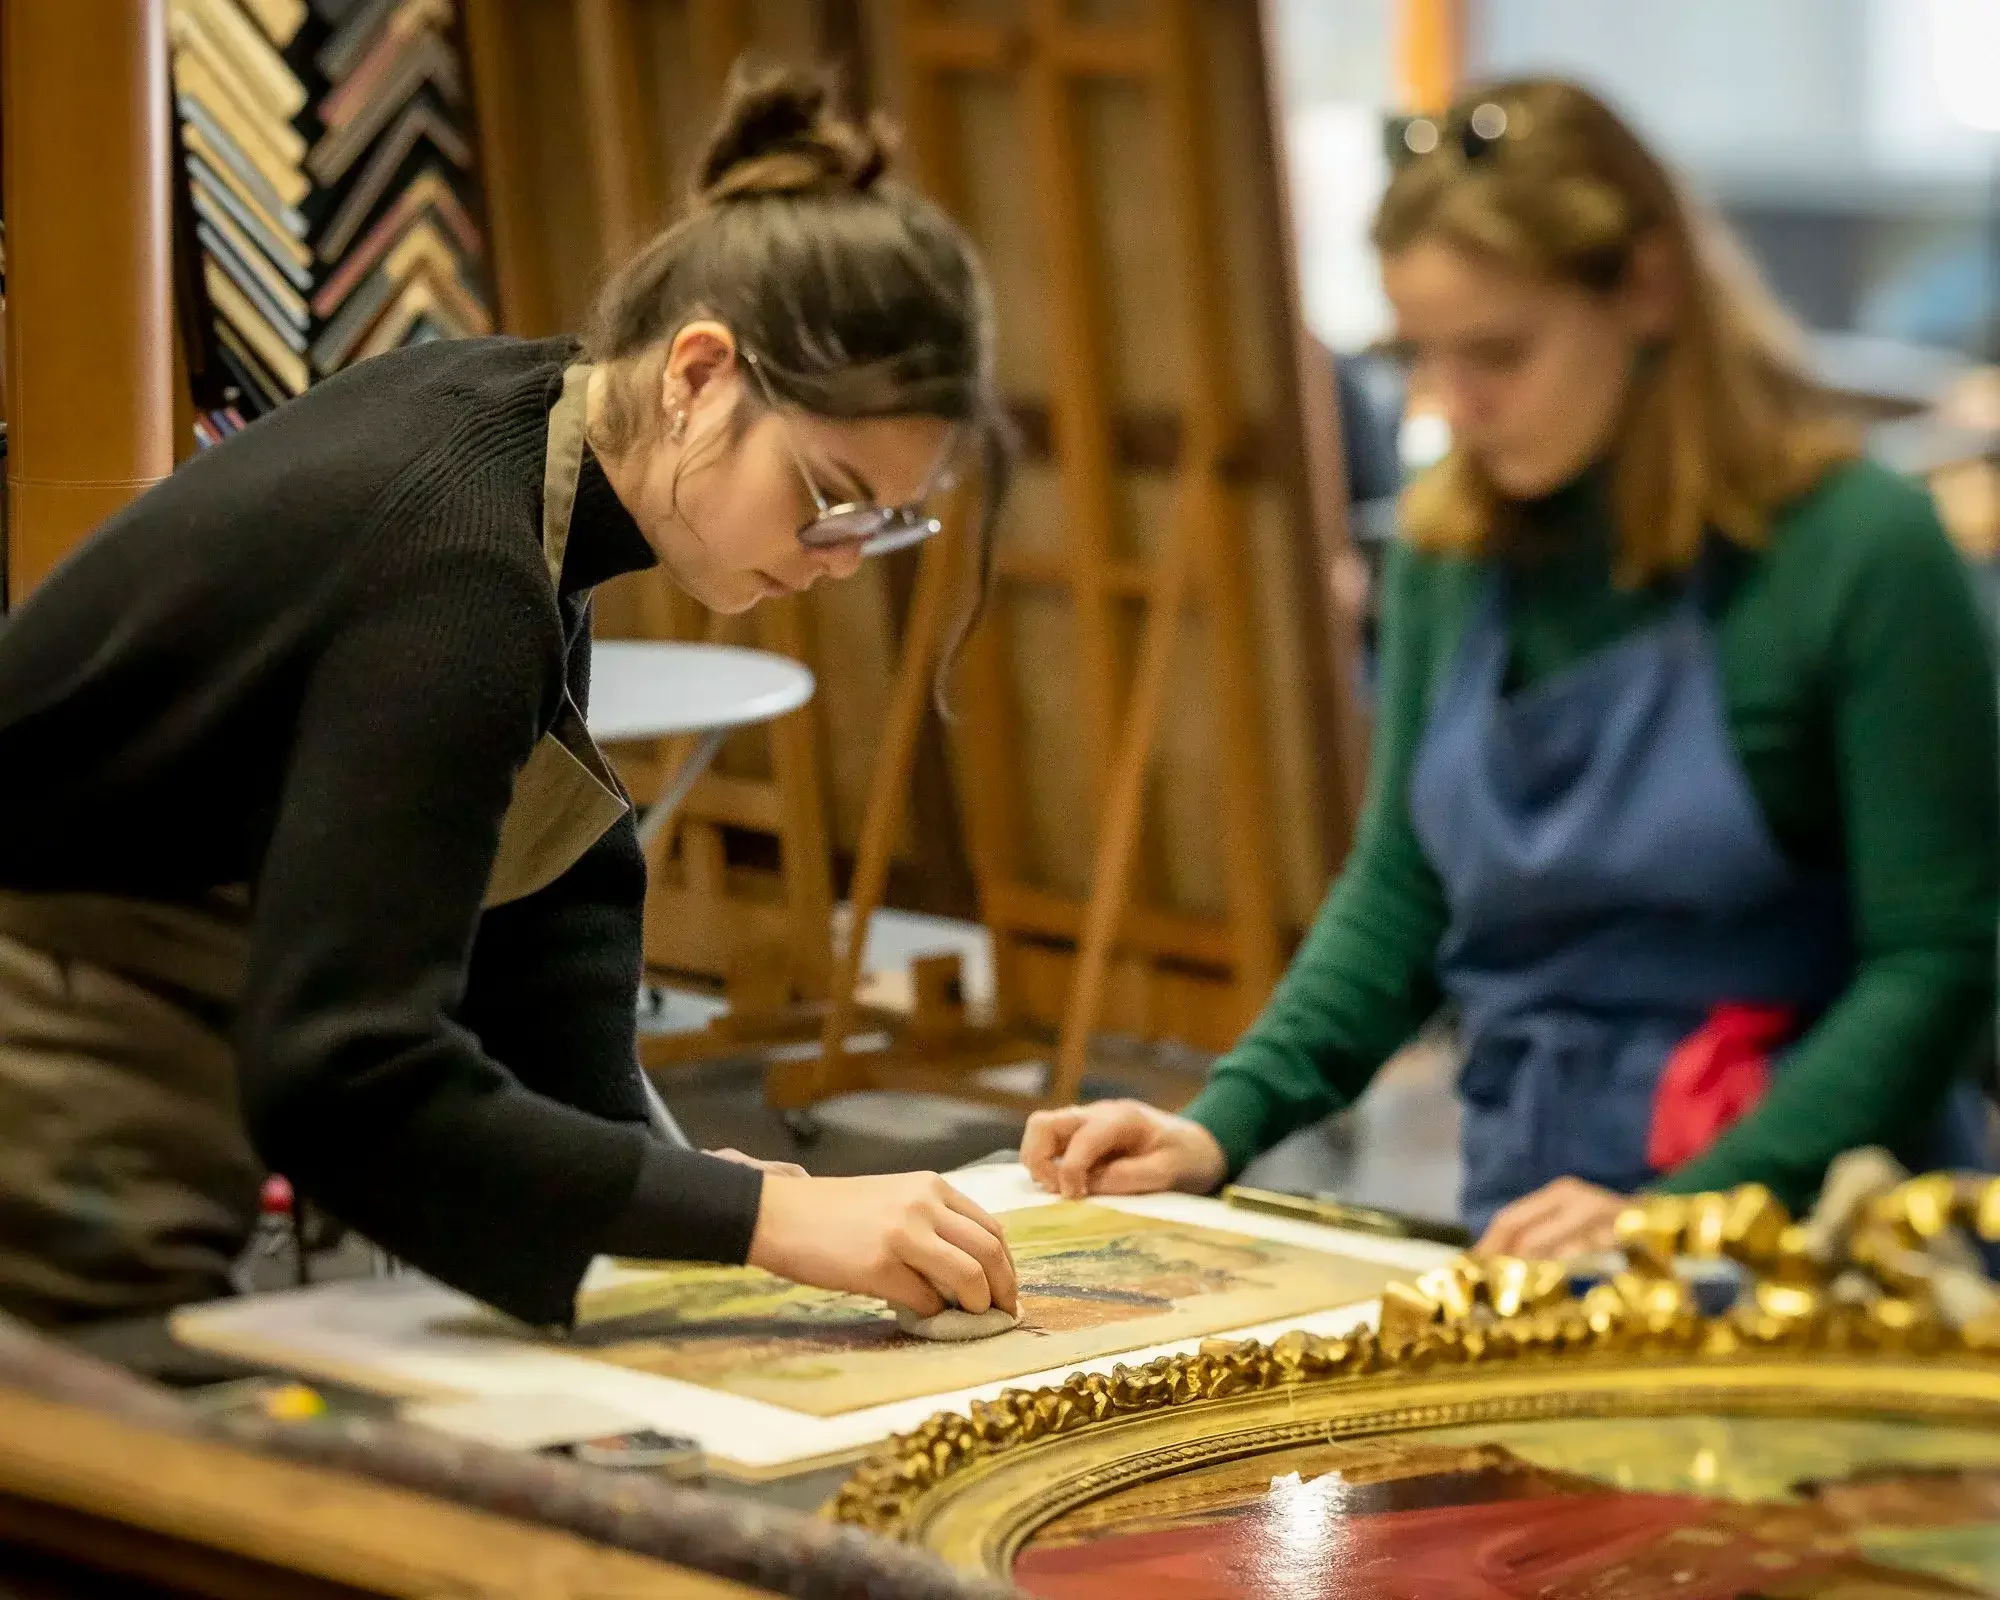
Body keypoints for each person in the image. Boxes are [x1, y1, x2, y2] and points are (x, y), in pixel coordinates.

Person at [0, 65, 1019, 1333]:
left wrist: (685, 1191)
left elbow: (540, 938)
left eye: (887, 518)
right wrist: (755, 1217)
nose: (839, 554)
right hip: (50, 1055)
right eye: (827, 493)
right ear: (698, 373)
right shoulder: (459, 563)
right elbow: (348, 1077)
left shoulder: (528, 450)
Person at [1023, 78, 1999, 1262]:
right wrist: (1221, 1123)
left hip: (1817, 1233)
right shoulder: (1449, 548)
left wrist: (1696, 1206)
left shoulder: (1853, 549)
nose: (1455, 403)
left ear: (1645, 288)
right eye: (1421, 356)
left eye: (1495, 351)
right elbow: (1400, 892)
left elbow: (1938, 960)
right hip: (1533, 1212)